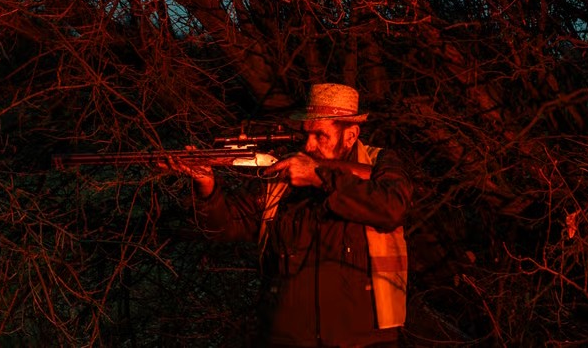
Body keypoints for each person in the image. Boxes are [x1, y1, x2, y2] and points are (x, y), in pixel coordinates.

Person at [167, 83, 412, 348]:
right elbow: (223, 226)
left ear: (351, 135)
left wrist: (320, 177)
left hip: (367, 340)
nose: (309, 145)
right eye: (306, 134)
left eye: (321, 135)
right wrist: (206, 186)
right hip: (286, 338)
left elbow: (391, 208)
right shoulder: (284, 175)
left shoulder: (379, 165)